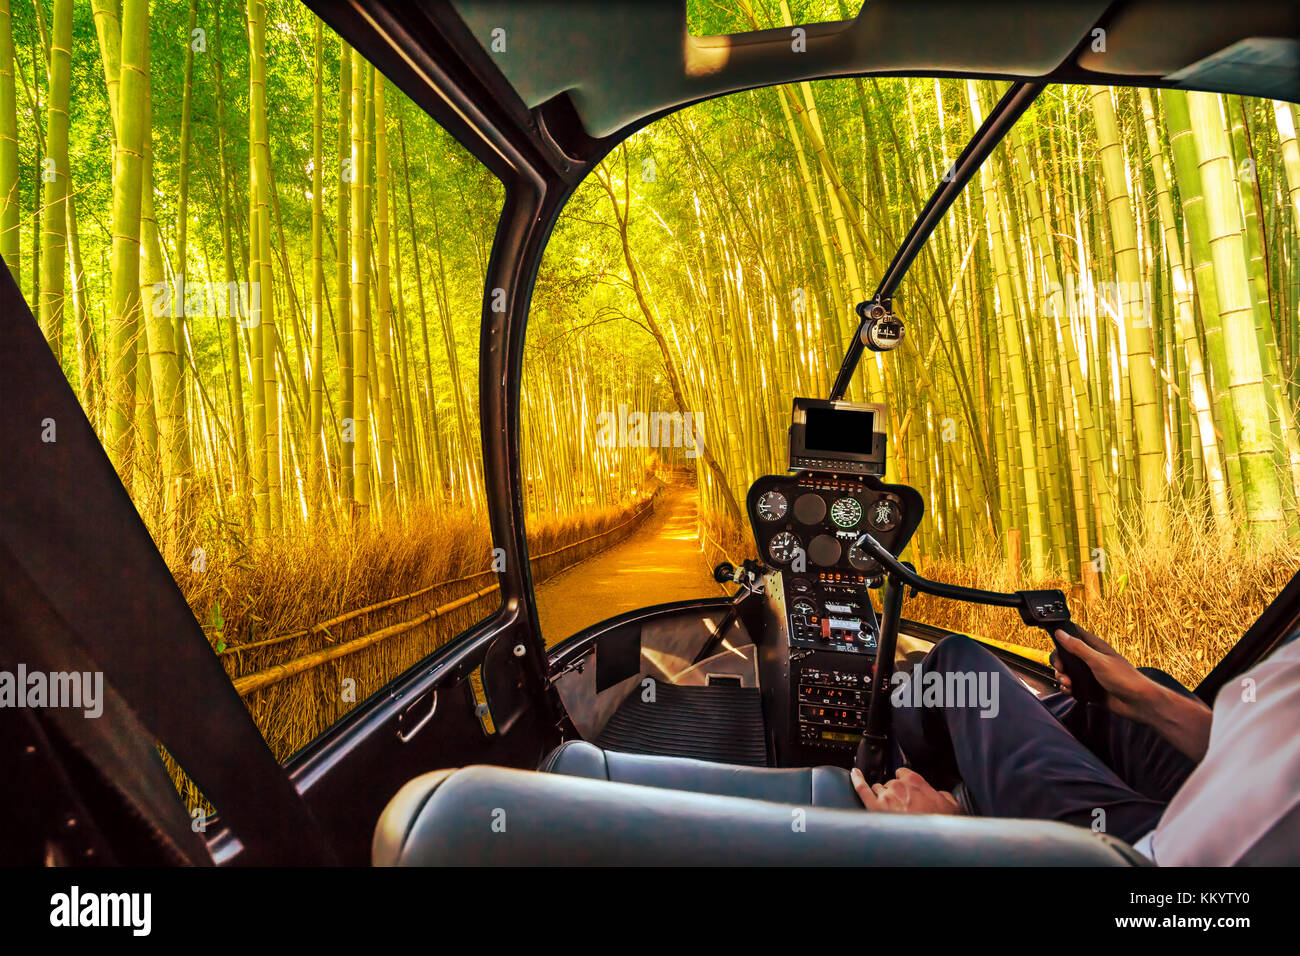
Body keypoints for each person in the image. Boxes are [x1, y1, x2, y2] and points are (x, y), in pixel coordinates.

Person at [849, 628, 1300, 865]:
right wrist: (1147, 699)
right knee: (1128, 696)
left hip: (1143, 858)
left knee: (961, 669)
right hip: (1227, 795)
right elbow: (1272, 743)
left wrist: (954, 843)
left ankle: (910, 771)